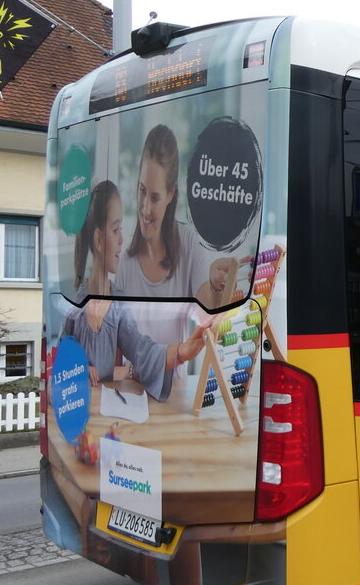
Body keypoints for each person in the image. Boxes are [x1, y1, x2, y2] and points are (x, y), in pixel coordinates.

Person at [66, 180, 206, 402]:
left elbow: (142, 350)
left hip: (109, 416)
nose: (122, 239)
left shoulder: (119, 303)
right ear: (99, 239)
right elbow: (60, 363)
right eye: (116, 229)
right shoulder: (75, 306)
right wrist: (79, 368)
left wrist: (180, 352)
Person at [115, 123, 234, 350]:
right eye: (142, 191)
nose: (145, 208)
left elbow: (208, 321)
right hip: (131, 384)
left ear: (171, 194)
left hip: (175, 383)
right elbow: (118, 340)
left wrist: (216, 286)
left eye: (156, 197)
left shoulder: (189, 246)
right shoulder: (125, 260)